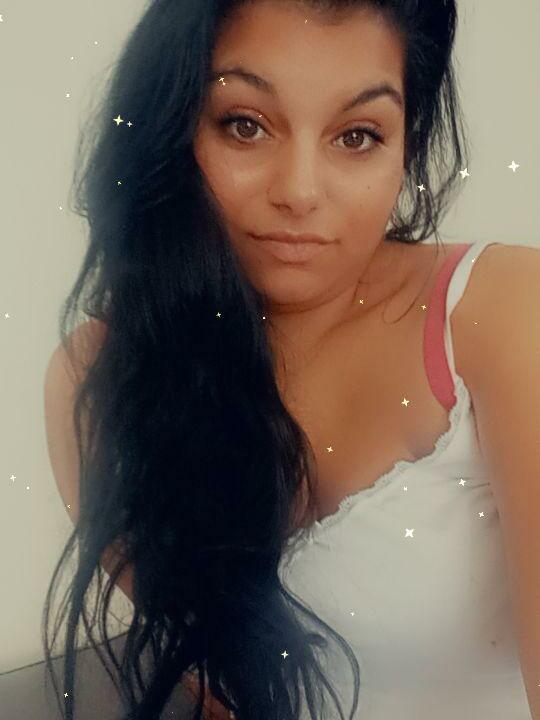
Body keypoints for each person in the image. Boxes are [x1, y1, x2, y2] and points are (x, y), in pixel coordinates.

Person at [42, 1, 535, 718]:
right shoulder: (98, 381)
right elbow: (227, 690)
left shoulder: (505, 312)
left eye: (357, 135)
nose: (299, 192)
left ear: (406, 144)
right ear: (170, 127)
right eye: (245, 125)